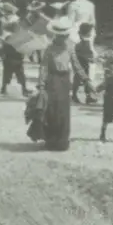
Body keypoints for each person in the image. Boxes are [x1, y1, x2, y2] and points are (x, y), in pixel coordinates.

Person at [38, 17, 77, 150]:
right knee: (52, 110)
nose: (64, 38)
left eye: (65, 35)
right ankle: (51, 140)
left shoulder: (70, 46)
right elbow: (43, 67)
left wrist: (86, 80)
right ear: (56, 35)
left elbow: (76, 65)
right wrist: (41, 84)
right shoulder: (49, 48)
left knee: (63, 111)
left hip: (65, 80)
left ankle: (62, 141)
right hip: (53, 80)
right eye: (61, 36)